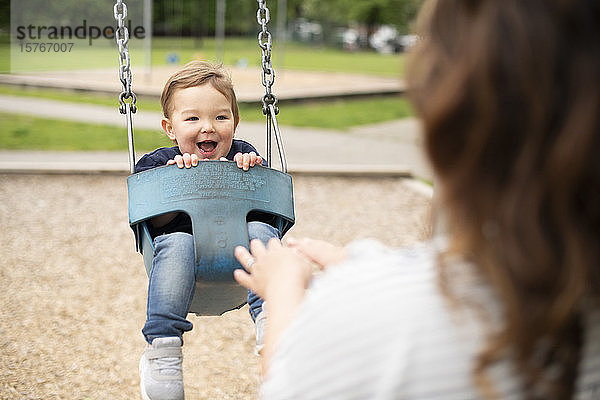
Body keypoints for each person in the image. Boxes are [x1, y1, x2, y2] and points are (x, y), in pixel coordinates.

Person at [233, 0, 600, 399]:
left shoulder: (397, 325)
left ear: (447, 122)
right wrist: (360, 264)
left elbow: (287, 385)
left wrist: (286, 287)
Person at [135, 60, 280, 400]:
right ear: (169, 128)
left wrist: (249, 173)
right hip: (182, 262)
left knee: (260, 229)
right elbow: (152, 226)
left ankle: (273, 324)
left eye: (220, 117)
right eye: (193, 118)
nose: (208, 128)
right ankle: (163, 351)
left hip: (238, 259)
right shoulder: (157, 164)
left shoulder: (244, 155)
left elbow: (265, 215)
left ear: (235, 121)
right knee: (178, 242)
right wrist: (175, 181)